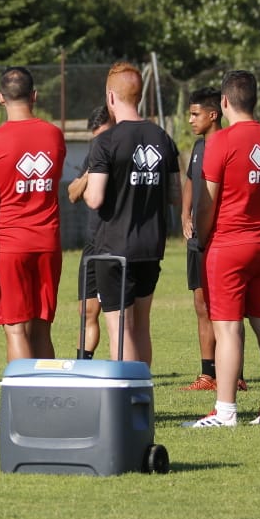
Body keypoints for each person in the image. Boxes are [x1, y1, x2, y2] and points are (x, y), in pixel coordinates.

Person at [186, 71, 260, 427]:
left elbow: (206, 201)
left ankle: (226, 410)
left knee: (228, 330)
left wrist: (201, 237)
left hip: (229, 245)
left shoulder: (221, 142)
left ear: (225, 102)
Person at [82, 63, 180, 365]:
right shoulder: (162, 137)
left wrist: (87, 188)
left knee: (120, 329)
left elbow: (95, 198)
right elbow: (175, 195)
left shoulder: (106, 141)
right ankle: (142, 391)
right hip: (150, 247)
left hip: (114, 250)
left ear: (111, 97)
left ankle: (126, 392)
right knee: (141, 327)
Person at [0, 67, 66, 360]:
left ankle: (23, 388)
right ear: (34, 96)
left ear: (0, 98)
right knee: (42, 328)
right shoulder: (54, 135)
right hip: (47, 241)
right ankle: (46, 388)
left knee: (16, 329)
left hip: (9, 243)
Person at [180, 87, 227, 390]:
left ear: (213, 114)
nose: (190, 120)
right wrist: (185, 214)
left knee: (227, 308)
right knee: (201, 303)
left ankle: (232, 372)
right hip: (197, 237)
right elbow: (189, 181)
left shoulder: (227, 144)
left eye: (195, 114)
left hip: (220, 236)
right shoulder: (199, 147)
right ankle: (207, 373)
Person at [67, 105, 112, 358]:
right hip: (93, 243)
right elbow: (73, 194)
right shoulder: (95, 153)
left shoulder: (123, 153)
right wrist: (89, 172)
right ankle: (82, 364)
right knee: (87, 311)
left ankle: (125, 366)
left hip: (116, 242)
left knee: (118, 314)